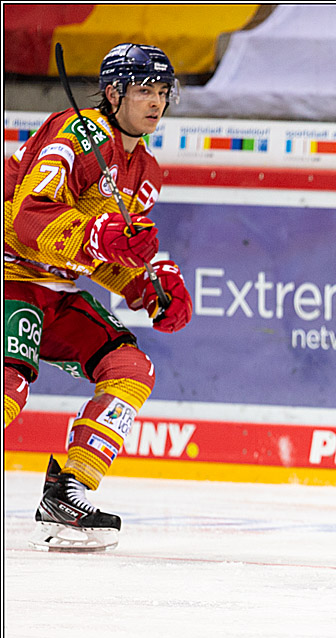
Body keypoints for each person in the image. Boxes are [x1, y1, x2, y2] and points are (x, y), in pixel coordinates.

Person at [4, 43, 193, 552]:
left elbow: (107, 249)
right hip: (10, 276)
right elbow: (24, 221)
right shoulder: (77, 135)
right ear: (114, 93)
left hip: (57, 291)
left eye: (162, 92)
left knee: (131, 368)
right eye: (143, 91)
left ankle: (69, 492)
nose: (155, 102)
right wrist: (97, 236)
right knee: (8, 385)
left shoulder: (146, 171)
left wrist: (148, 285)